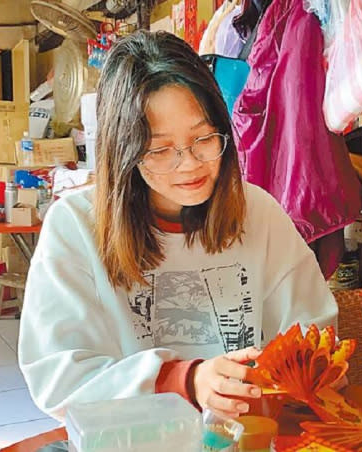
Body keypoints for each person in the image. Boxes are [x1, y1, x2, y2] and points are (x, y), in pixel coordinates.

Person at [19, 31, 337, 421]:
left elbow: (315, 333)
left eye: (203, 138)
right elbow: (57, 377)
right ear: (124, 150)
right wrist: (185, 380)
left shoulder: (258, 212)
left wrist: (293, 372)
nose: (188, 163)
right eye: (159, 149)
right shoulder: (76, 226)